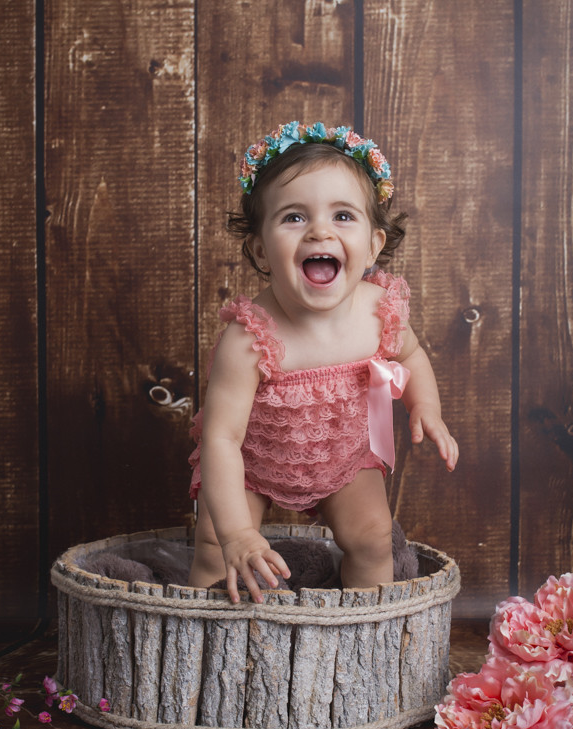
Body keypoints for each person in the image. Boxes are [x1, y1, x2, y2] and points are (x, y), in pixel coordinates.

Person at [187, 121, 458, 604]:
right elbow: (222, 438)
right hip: (251, 461)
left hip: (344, 456)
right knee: (214, 546)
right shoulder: (249, 338)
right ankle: (202, 637)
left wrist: (426, 406)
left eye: (342, 216)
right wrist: (236, 536)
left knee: (374, 538)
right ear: (260, 250)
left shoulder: (379, 310)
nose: (319, 231)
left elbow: (411, 353)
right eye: (293, 217)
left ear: (374, 245)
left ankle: (368, 634)